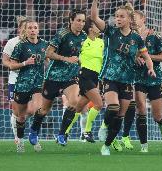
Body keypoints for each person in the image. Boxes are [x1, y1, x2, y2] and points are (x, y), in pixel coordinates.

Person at [91, 0, 156, 156]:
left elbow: (146, 56)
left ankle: (106, 145)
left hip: (127, 80)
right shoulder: (111, 31)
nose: (117, 19)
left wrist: (151, 68)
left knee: (120, 115)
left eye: (121, 16)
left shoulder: (136, 38)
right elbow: (94, 18)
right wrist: (95, 1)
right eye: (116, 16)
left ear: (129, 19)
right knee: (113, 106)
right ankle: (104, 126)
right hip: (110, 77)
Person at [28, 9, 87, 147]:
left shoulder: (84, 36)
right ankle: (34, 130)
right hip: (53, 76)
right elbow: (48, 53)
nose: (81, 23)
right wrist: (66, 59)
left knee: (73, 102)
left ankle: (62, 134)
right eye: (78, 20)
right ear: (71, 20)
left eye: (83, 21)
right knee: (44, 110)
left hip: (71, 77)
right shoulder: (62, 34)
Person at [132, 10, 162, 152]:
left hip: (154, 78)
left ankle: (161, 124)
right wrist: (133, 58)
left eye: (135, 18)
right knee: (140, 108)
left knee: (157, 115)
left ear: (143, 19)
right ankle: (144, 145)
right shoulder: (130, 37)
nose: (133, 22)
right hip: (137, 78)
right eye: (131, 19)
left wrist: (147, 57)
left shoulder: (155, 36)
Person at [9, 20, 48, 152]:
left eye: (35, 27)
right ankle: (20, 140)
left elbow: (48, 60)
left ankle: (34, 135)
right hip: (22, 84)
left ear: (38, 30)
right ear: (26, 30)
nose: (32, 30)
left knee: (40, 109)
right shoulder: (21, 46)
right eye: (30, 28)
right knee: (21, 117)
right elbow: (12, 65)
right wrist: (25, 63)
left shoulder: (44, 45)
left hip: (37, 84)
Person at [64, 16, 104, 143]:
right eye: (96, 25)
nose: (100, 27)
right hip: (84, 75)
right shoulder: (82, 41)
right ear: (91, 29)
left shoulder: (101, 42)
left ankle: (64, 132)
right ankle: (87, 132)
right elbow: (72, 54)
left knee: (78, 107)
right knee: (98, 104)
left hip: (95, 77)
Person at [2, 16, 28, 144]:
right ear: (19, 29)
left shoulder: (36, 42)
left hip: (32, 80)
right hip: (15, 79)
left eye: (28, 28)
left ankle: (30, 133)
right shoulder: (12, 42)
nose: (26, 30)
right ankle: (17, 138)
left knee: (32, 109)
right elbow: (5, 60)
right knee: (16, 111)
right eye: (24, 28)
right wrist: (12, 65)